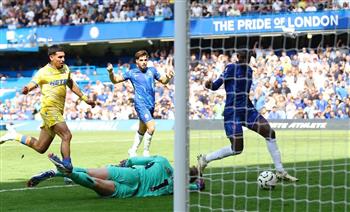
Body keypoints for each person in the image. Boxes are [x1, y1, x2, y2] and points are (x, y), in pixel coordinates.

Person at [197, 51, 298, 182]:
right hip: (232, 113)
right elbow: (215, 86)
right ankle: (205, 159)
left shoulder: (249, 70)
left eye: (247, 57)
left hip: (247, 110)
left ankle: (280, 171)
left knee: (270, 133)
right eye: (242, 57)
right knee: (237, 149)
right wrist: (208, 84)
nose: (245, 60)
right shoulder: (231, 68)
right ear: (238, 57)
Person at [0, 45, 96, 172]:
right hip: (49, 110)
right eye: (60, 57)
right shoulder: (43, 72)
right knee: (67, 135)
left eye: (64, 57)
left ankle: (14, 135)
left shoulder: (65, 69)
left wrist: (85, 98)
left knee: (41, 147)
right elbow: (33, 83)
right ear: (51, 57)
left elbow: (71, 84)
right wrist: (27, 89)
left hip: (58, 111)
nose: (63, 59)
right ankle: (67, 165)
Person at [27, 154, 205, 198]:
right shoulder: (177, 187)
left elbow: (138, 159)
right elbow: (193, 187)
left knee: (91, 172)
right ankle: (67, 173)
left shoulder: (163, 161)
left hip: (131, 173)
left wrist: (126, 162)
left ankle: (59, 172)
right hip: (132, 192)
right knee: (94, 183)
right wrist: (198, 185)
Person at [107, 50, 174, 157]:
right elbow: (115, 80)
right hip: (140, 104)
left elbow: (164, 81)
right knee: (151, 127)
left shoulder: (152, 70)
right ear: (136, 62)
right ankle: (146, 151)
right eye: (141, 60)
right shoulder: (131, 73)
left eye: (145, 60)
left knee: (142, 129)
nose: (144, 62)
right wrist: (111, 72)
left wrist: (168, 77)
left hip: (151, 104)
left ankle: (132, 150)